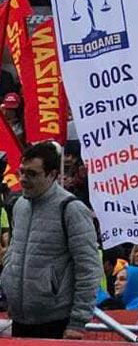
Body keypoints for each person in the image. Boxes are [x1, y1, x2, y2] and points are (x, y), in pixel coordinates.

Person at [0, 141, 103, 339]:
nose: (22, 179)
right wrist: (10, 283)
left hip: (56, 322)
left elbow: (88, 269)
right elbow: (15, 251)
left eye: (32, 174)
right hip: (20, 319)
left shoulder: (72, 209)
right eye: (22, 171)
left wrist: (78, 322)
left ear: (53, 174)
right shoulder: (20, 205)